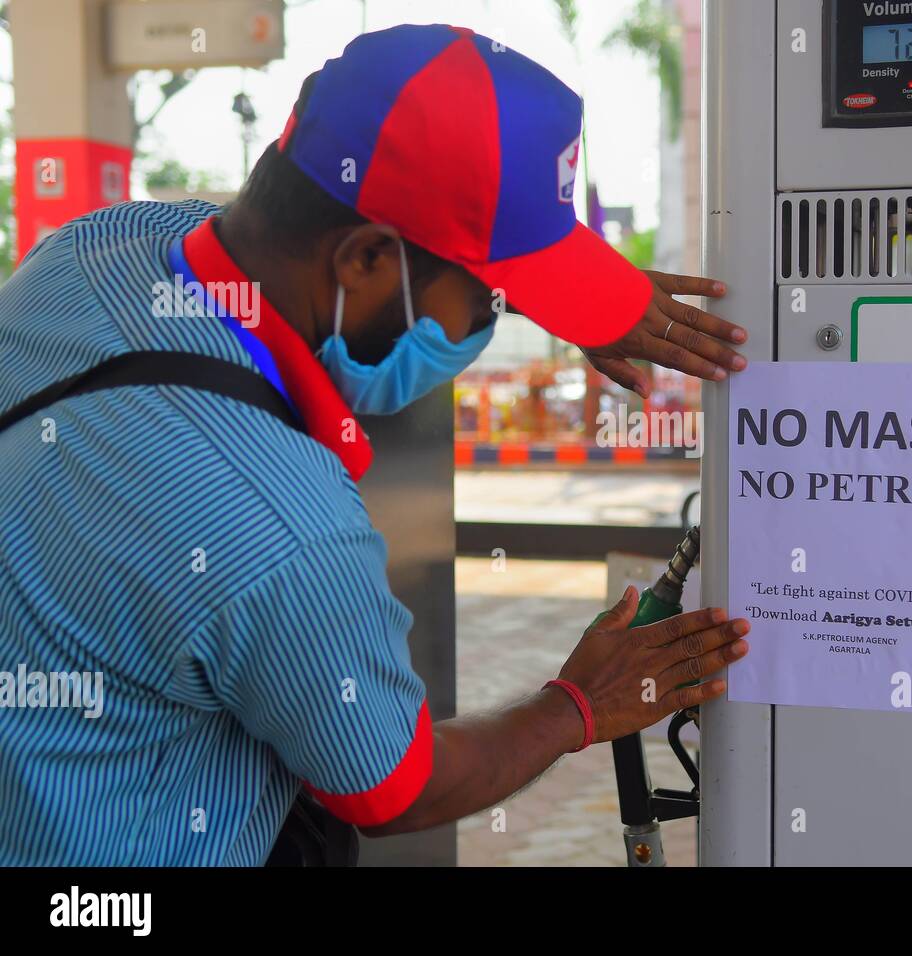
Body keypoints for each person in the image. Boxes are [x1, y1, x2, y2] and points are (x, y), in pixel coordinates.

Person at [0, 23, 748, 865]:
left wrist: (546, 286)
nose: (485, 324)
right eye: (488, 301)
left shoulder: (90, 252)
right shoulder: (277, 527)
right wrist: (577, 704)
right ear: (363, 260)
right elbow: (397, 790)